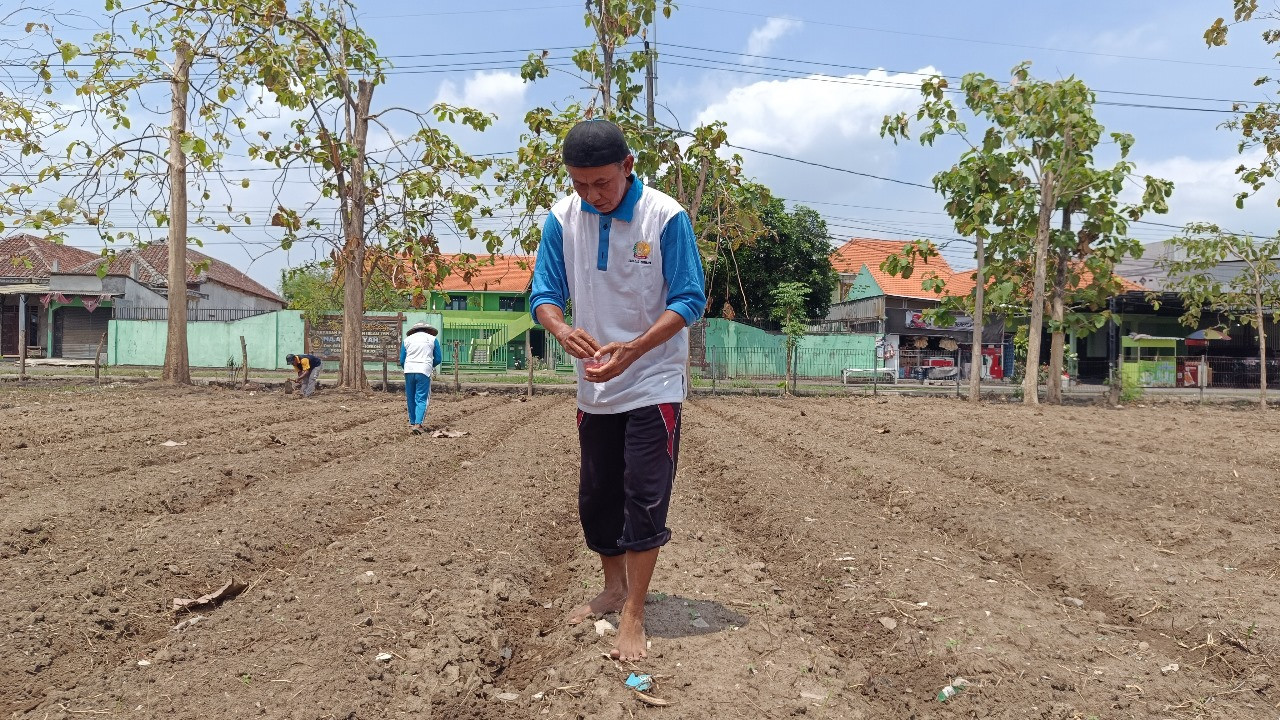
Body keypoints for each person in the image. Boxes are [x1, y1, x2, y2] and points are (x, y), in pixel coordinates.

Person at [529, 119, 706, 662]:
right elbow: (543, 293)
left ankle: (635, 611)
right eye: (580, 185)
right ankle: (612, 586)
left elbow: (690, 298)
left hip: (653, 378)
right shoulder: (562, 220)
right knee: (598, 496)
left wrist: (634, 348)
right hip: (595, 385)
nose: (591, 196)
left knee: (645, 494)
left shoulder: (666, 217)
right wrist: (560, 328)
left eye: (601, 184)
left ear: (629, 168)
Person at [399, 322, 442, 434]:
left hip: (409, 370)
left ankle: (412, 422)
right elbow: (438, 358)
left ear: (414, 331)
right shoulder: (432, 339)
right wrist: (429, 365)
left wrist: (407, 368)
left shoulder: (407, 340)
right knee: (421, 397)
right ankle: (418, 424)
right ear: (428, 330)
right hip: (423, 370)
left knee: (410, 396)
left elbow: (402, 359)